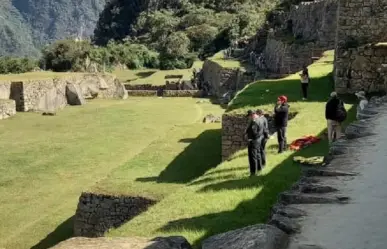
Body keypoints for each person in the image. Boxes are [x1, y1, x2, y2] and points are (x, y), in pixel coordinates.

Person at [245, 110, 264, 176]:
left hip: (253, 141)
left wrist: (250, 139)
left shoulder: (254, 122)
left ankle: (253, 172)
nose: (249, 118)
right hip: (258, 141)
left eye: (250, 116)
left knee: (253, 157)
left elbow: (254, 132)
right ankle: (259, 168)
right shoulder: (260, 119)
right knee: (258, 154)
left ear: (252, 115)